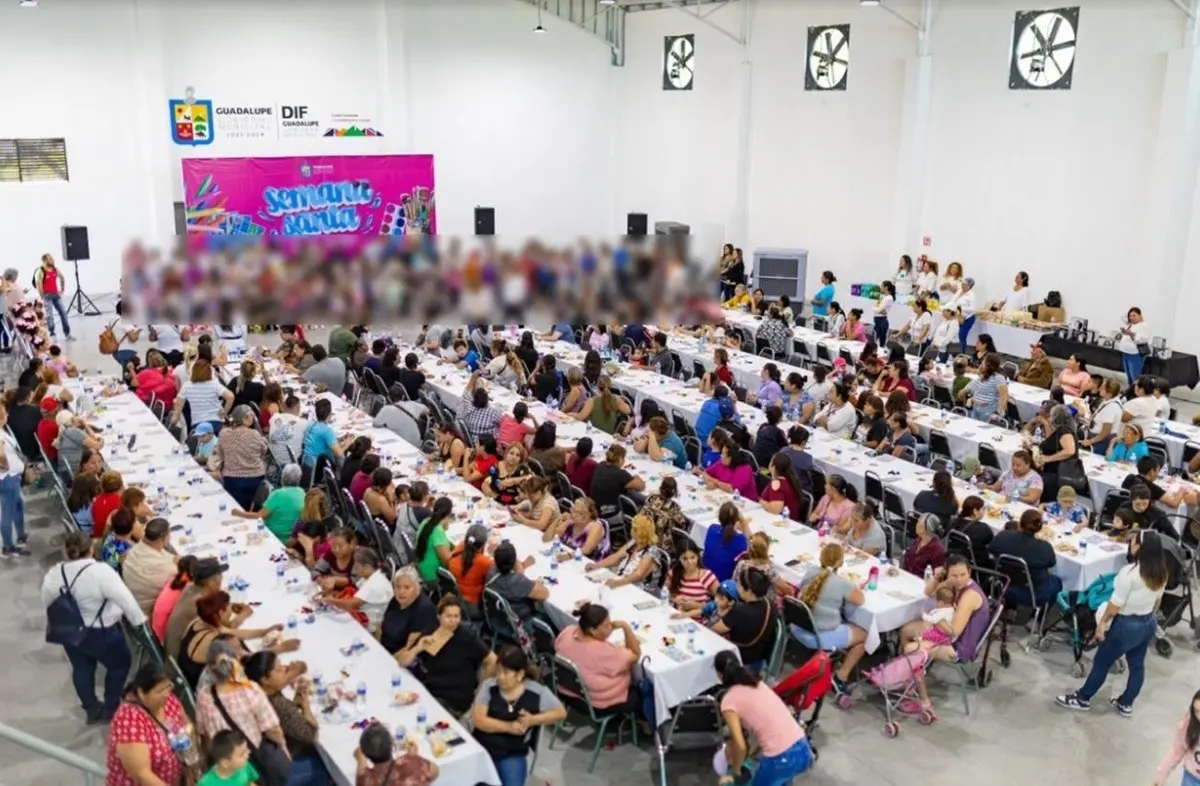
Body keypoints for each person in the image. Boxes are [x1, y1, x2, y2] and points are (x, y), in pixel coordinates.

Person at [1056, 529, 1168, 715]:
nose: (1130, 544)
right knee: (1137, 665)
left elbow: (1114, 605)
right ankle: (1126, 703)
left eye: (1133, 542)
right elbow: (1158, 601)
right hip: (1148, 622)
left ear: (1140, 547)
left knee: (1102, 662)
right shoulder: (1162, 572)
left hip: (1126, 625)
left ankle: (1082, 698)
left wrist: (1101, 626)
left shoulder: (1129, 573)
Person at [42, 530, 146, 724]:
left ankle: (91, 708)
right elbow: (126, 600)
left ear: (66, 551)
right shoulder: (101, 572)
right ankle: (110, 705)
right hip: (102, 631)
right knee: (120, 665)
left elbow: (47, 601)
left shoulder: (54, 574)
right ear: (90, 549)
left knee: (81, 669)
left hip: (71, 631)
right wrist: (139, 622)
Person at [713, 650, 812, 786]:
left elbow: (740, 746)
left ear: (719, 675)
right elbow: (771, 720)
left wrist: (733, 774)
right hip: (803, 749)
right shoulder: (757, 683)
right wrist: (757, 751)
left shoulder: (728, 702)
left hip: (782, 759)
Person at [195, 647, 289, 779]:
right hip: (253, 757)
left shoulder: (204, 695)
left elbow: (203, 732)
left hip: (228, 765)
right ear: (235, 664)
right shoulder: (249, 690)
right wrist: (284, 748)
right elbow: (273, 730)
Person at [396, 595, 497, 714]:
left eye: (456, 616)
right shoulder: (431, 632)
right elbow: (402, 662)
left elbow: (492, 659)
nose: (453, 620)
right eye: (448, 616)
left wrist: (480, 691)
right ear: (439, 616)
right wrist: (418, 648)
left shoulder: (467, 637)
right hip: (430, 689)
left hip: (453, 699)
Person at [107, 663, 198, 786]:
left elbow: (187, 725)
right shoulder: (128, 720)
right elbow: (142, 775)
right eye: (160, 691)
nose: (166, 694)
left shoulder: (168, 699)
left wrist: (190, 767)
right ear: (141, 692)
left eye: (168, 687)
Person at [555, 602, 642, 714]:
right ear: (592, 630)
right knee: (641, 690)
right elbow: (636, 654)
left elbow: (557, 646)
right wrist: (625, 627)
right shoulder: (603, 652)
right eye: (606, 625)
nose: (611, 627)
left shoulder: (568, 631)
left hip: (566, 690)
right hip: (596, 702)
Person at [989, 510, 1060, 608]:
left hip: (1001, 585)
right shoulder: (1045, 547)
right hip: (1030, 595)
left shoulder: (1003, 535)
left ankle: (1010, 608)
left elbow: (991, 548)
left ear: (1020, 523)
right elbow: (1052, 563)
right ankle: (1037, 618)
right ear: (1039, 527)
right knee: (1057, 581)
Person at [585, 514, 667, 593]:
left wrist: (618, 583)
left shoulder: (652, 551)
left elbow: (638, 575)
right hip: (624, 581)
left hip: (640, 590)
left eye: (634, 529)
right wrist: (597, 565)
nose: (631, 530)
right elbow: (616, 557)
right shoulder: (633, 542)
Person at [212, 404, 268, 509]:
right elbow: (263, 451)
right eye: (251, 416)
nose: (253, 418)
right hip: (255, 478)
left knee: (236, 507)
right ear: (244, 418)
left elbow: (220, 453)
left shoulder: (224, 433)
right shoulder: (255, 434)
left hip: (232, 479)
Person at [122, 517, 179, 616]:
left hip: (135, 604)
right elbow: (184, 573)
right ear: (164, 538)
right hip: (150, 613)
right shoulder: (165, 568)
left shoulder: (135, 550)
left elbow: (171, 558)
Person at [353, 720, 438, 785]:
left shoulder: (365, 780)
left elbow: (360, 758)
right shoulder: (413, 764)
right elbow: (435, 771)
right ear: (392, 744)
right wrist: (413, 757)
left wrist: (361, 757)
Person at [379, 567, 439, 658]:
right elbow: (381, 625)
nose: (401, 591)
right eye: (397, 587)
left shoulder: (424, 610)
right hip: (383, 650)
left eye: (407, 587)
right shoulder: (396, 600)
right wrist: (377, 648)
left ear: (417, 587)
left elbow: (409, 648)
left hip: (401, 660)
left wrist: (386, 661)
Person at [1032, 403, 1080, 502]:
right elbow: (1051, 441)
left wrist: (1048, 459)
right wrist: (1046, 424)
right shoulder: (1061, 431)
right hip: (1054, 474)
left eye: (1051, 415)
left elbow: (1070, 451)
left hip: (1056, 476)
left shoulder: (1065, 430)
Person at [172, 359, 234, 435]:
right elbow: (230, 396)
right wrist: (224, 413)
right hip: (217, 422)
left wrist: (175, 418)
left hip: (198, 424)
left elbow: (178, 405)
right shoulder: (214, 384)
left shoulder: (187, 386)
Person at [1153, 689, 1200, 786]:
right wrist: (1160, 776)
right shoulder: (1188, 725)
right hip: (1191, 778)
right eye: (1197, 711)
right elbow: (1176, 751)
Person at [589, 443, 645, 519]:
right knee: (640, 498)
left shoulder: (601, 465)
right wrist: (637, 478)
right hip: (607, 513)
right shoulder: (620, 474)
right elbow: (641, 486)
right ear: (620, 459)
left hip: (595, 507)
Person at [447, 523, 494, 610]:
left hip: (457, 599)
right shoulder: (485, 562)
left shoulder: (457, 553)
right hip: (474, 606)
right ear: (483, 545)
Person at [545, 497, 610, 559]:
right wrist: (558, 518)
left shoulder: (595, 526)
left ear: (589, 514)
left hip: (590, 564)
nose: (573, 514)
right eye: (573, 510)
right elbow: (547, 537)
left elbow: (586, 550)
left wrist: (568, 556)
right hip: (570, 559)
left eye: (579, 512)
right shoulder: (571, 521)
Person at [703, 501, 751, 582]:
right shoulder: (741, 540)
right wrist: (744, 523)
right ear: (736, 520)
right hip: (725, 583)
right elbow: (750, 544)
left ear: (719, 518)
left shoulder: (712, 529)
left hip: (706, 577)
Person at [413, 497, 455, 584]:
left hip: (421, 566)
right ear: (448, 514)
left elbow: (444, 530)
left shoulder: (427, 521)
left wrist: (445, 523)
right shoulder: (438, 531)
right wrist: (458, 549)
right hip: (432, 577)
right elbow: (447, 561)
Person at [950, 495, 995, 570]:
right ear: (975, 511)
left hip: (953, 557)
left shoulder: (954, 522)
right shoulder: (983, 528)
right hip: (973, 563)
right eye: (983, 509)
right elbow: (991, 543)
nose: (984, 512)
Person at [1082, 378, 1124, 454]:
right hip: (1095, 436)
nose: (1100, 388)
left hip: (1100, 442)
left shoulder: (1111, 407)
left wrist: (1090, 441)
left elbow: (1106, 432)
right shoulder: (1109, 401)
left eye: (1103, 387)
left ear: (1109, 393)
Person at [312, 526, 359, 591]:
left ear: (351, 544)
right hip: (331, 592)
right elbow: (316, 570)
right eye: (333, 546)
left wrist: (336, 580)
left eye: (341, 546)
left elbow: (356, 580)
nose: (336, 550)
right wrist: (321, 581)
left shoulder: (357, 557)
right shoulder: (330, 554)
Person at [902, 513, 947, 578]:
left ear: (924, 528)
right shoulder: (918, 540)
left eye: (918, 523)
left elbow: (937, 575)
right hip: (908, 577)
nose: (916, 525)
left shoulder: (938, 549)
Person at [1117, 306, 1151, 384]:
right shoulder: (1130, 324)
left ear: (1140, 315)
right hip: (1125, 352)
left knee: (1134, 375)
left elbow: (1142, 339)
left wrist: (1131, 334)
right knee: (1128, 374)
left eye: (1134, 315)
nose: (1132, 317)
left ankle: (1135, 393)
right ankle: (1130, 391)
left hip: (1135, 354)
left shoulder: (1144, 326)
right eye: (1130, 315)